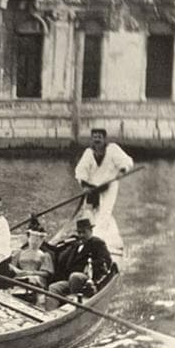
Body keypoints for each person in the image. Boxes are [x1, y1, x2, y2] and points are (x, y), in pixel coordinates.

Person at [74, 127, 133, 256]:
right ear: (92, 139)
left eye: (99, 137)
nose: (97, 140)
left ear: (104, 138)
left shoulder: (112, 149)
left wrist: (121, 172)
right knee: (89, 214)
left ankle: (101, 243)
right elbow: (80, 171)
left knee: (105, 213)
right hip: (92, 189)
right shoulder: (89, 153)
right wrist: (85, 186)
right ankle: (100, 241)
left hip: (109, 187)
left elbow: (126, 162)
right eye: (94, 137)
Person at [46, 217, 113, 310]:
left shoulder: (98, 243)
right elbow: (63, 260)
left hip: (87, 281)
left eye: (84, 232)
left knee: (75, 276)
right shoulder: (76, 245)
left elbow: (107, 261)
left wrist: (91, 265)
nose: (81, 235)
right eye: (79, 232)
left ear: (90, 231)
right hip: (71, 281)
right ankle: (50, 314)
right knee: (53, 287)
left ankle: (74, 307)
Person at [9, 228, 55, 302]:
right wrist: (17, 271)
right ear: (29, 238)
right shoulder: (19, 252)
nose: (35, 242)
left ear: (41, 241)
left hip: (36, 279)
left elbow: (47, 273)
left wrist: (31, 273)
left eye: (37, 240)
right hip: (20, 275)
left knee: (33, 280)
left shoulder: (44, 255)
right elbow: (11, 265)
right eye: (33, 239)